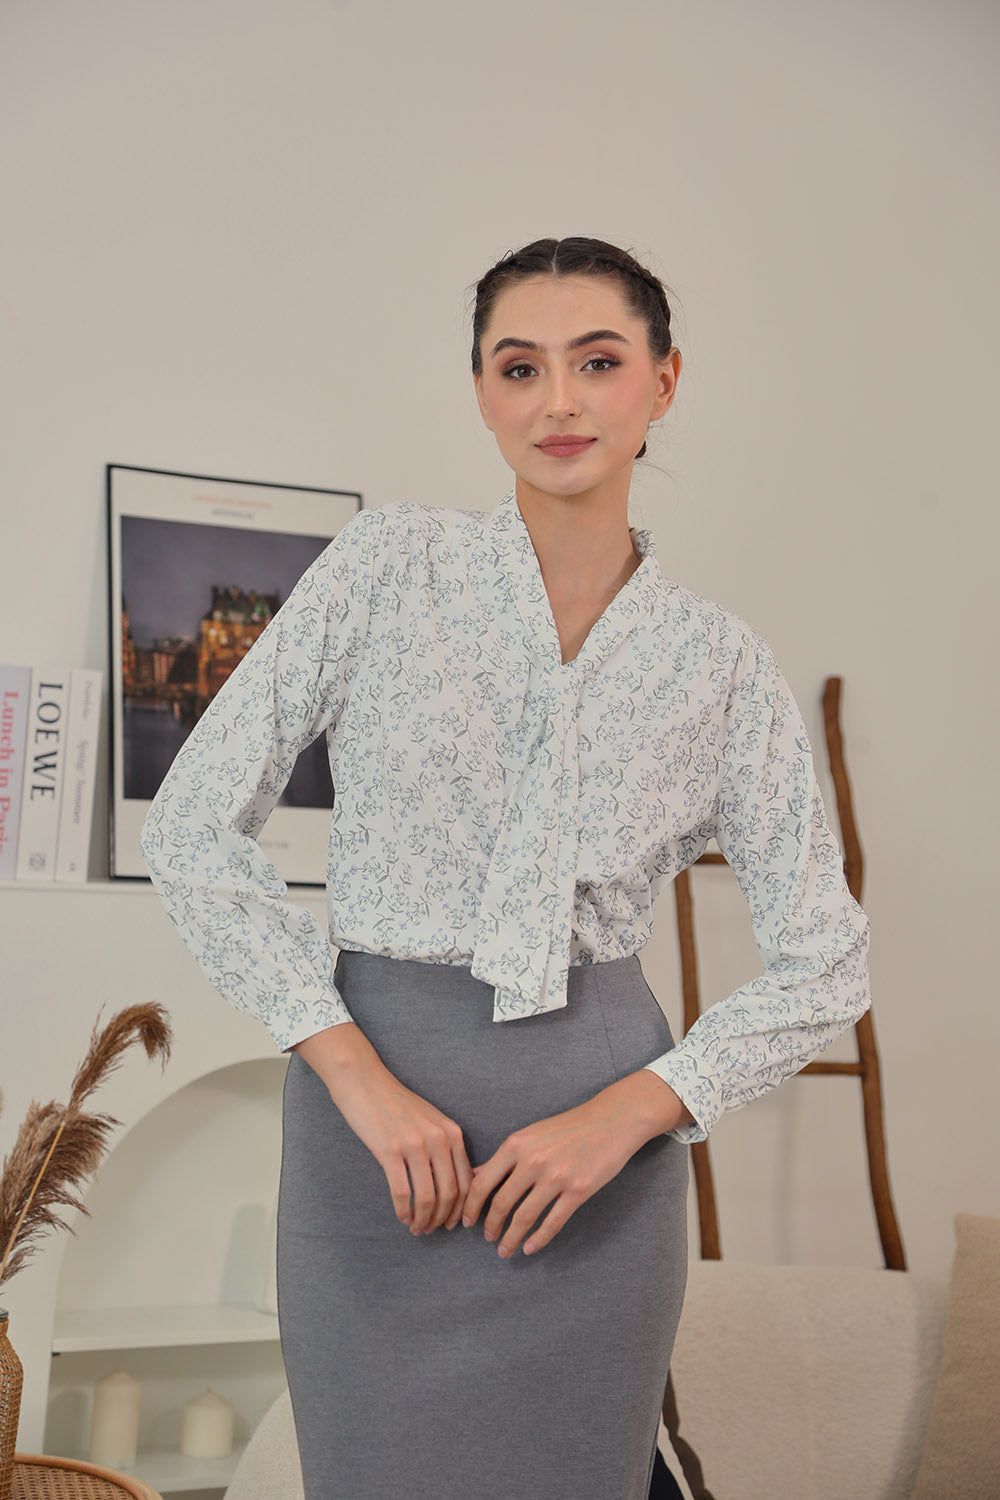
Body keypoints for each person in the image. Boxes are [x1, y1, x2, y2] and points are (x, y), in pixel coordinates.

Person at [140, 236, 871, 1500]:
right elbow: (191, 823)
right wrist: (356, 1077)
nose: (559, 402)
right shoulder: (386, 569)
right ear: (480, 390)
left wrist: (627, 1116)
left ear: (664, 381)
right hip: (371, 1147)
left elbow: (829, 963)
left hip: (598, 1170)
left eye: (599, 362)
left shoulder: (720, 666)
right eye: (519, 367)